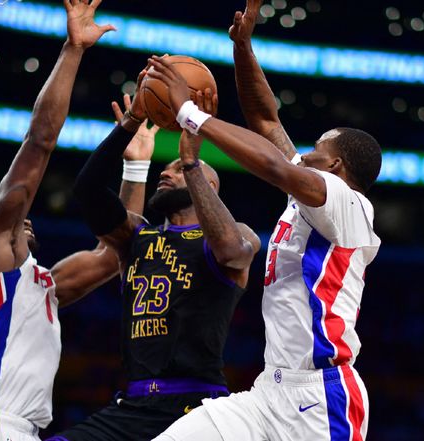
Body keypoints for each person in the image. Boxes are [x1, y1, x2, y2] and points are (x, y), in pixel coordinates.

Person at [146, 2, 383, 439]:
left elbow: (274, 166)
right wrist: (243, 48)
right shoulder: (311, 196)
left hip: (322, 398)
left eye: (317, 149)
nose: (305, 153)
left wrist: (190, 115)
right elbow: (264, 119)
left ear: (336, 166)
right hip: (267, 392)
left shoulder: (348, 204)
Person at [47, 81, 261, 441]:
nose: (165, 172)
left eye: (175, 169)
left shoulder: (234, 234)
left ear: (206, 184)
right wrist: (128, 126)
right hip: (133, 406)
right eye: (169, 168)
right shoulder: (136, 237)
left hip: (198, 405)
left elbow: (232, 252)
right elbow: (87, 190)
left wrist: (190, 163)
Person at [0, 1, 118, 440]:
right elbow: (39, 141)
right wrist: (73, 50)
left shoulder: (44, 287)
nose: (26, 221)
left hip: (23, 429)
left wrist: (132, 152)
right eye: (15, 221)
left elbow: (115, 252)